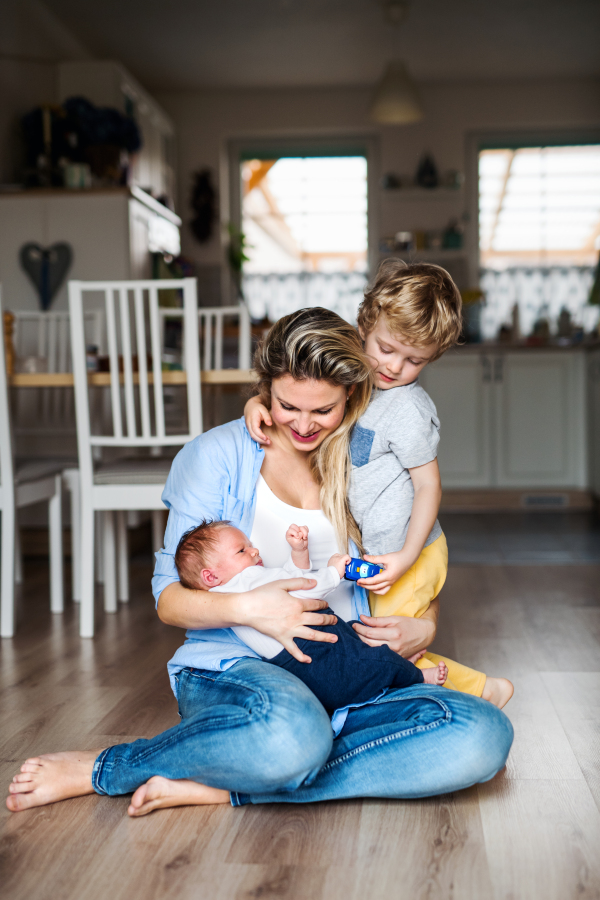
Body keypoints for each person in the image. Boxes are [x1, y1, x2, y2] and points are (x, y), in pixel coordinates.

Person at [7, 308, 513, 818]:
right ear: (265, 390)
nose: (304, 425)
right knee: (292, 736)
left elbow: (414, 572)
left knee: (483, 734)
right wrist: (253, 609)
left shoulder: (369, 459)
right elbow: (169, 601)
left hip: (350, 672)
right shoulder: (215, 456)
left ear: (352, 396)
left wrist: (421, 627)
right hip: (243, 665)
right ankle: (112, 766)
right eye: (288, 406)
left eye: (324, 411)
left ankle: (234, 783)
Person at [245, 263, 514, 709]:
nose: (394, 367)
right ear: (364, 326)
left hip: (413, 551)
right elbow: (302, 391)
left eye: (415, 361)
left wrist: (407, 557)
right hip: (377, 552)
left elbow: (429, 486)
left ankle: (482, 691)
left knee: (384, 645)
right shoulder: (355, 382)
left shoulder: (406, 408)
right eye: (386, 348)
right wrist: (259, 401)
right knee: (377, 642)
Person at [173, 519, 447, 712]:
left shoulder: (248, 582)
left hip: (317, 645)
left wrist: (298, 553)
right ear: (211, 576)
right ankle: (417, 677)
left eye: (250, 544)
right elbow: (305, 589)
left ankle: (393, 668)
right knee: (371, 660)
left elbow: (292, 580)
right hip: (313, 659)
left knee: (359, 636)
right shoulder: (240, 585)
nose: (254, 550)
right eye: (242, 550)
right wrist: (334, 573)